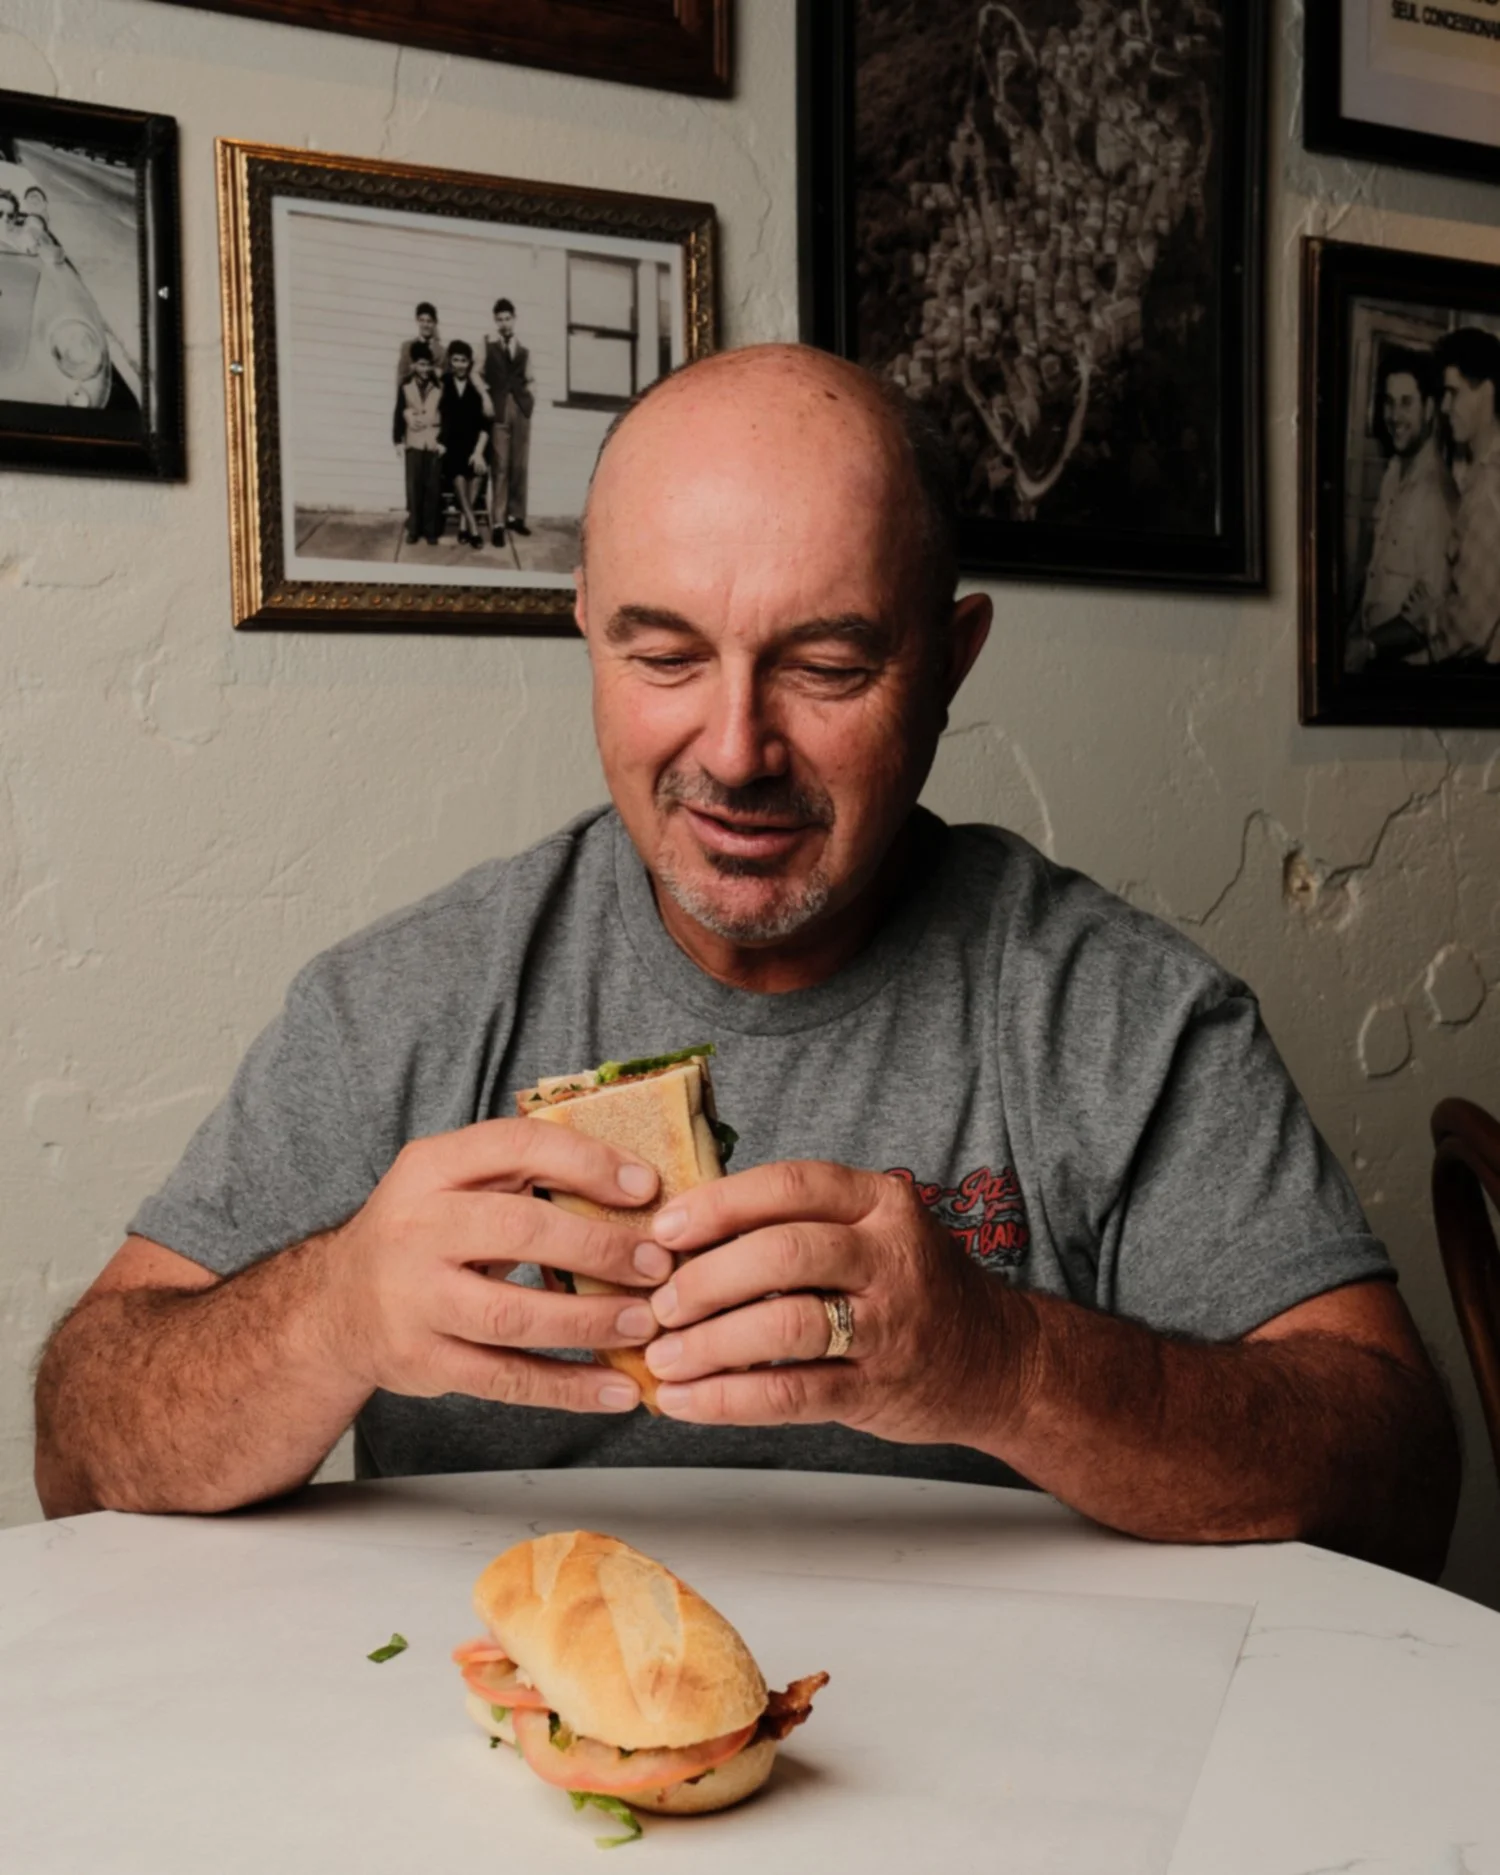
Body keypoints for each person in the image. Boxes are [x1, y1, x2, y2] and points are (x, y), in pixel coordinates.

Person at [33, 344, 1457, 1581]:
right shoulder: (408, 1000)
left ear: (952, 661)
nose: (732, 750)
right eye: (662, 656)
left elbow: (1399, 1484)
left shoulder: (1123, 1016)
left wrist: (1004, 1364)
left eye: (827, 666)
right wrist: (332, 1308)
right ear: (583, 628)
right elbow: (80, 1442)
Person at [1345, 347, 1457, 675]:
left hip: (1405, 673)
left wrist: (1367, 646)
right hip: (1370, 656)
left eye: (1407, 403)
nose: (1395, 416)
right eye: (1389, 403)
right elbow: (1373, 570)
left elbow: (1429, 615)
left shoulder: (1437, 497)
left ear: (1430, 409)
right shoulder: (1394, 472)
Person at [1434, 325, 1500, 664]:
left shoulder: (1489, 485)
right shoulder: (1477, 473)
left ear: (1486, 391)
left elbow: (1470, 629)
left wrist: (1429, 632)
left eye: (1453, 392)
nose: (1444, 407)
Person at [480, 298, 535, 547]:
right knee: (500, 465)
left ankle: (517, 517)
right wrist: (485, 396)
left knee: (519, 465)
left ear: (514, 319)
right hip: (499, 409)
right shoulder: (488, 346)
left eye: (507, 318)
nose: (504, 323)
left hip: (520, 410)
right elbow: (475, 373)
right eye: (499, 319)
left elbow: (530, 378)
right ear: (495, 321)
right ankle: (499, 522)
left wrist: (529, 402)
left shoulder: (523, 350)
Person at [439, 340, 493, 550]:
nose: (460, 364)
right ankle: (472, 527)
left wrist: (478, 452)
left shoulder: (477, 388)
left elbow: (486, 424)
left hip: (474, 444)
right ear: (450, 361)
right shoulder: (444, 382)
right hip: (451, 445)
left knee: (479, 471)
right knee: (459, 472)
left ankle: (463, 524)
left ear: (470, 363)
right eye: (456, 360)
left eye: (464, 360)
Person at [392, 341, 443, 547]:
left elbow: (445, 414)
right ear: (413, 365)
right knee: (413, 487)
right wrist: (397, 440)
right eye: (421, 365)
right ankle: (414, 528)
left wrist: (442, 441)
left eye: (428, 365)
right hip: (413, 441)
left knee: (432, 487)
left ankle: (430, 530)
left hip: (432, 442)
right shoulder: (405, 387)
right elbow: (398, 413)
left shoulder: (439, 387)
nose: (425, 369)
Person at [396, 301, 445, 391]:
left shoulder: (442, 352)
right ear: (417, 321)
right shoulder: (407, 347)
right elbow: (401, 378)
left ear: (435, 323)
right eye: (422, 320)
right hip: (411, 398)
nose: (425, 325)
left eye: (429, 321)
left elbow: (443, 383)